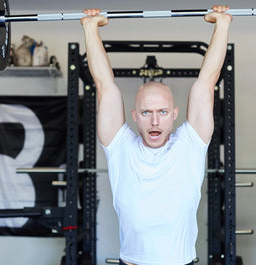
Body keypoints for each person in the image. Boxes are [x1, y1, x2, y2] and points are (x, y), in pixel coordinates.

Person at [80, 6, 232, 265]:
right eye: (146, 112)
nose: (154, 121)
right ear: (134, 115)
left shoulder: (189, 145)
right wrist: (90, 28)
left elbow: (207, 82)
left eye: (162, 111)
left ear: (174, 113)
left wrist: (223, 24)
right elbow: (104, 86)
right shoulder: (121, 147)